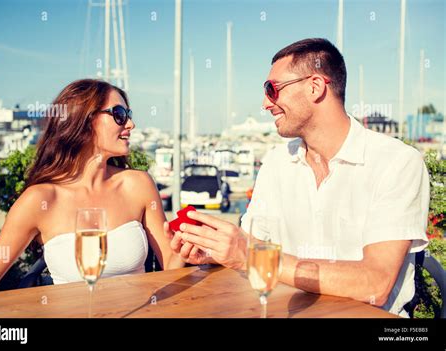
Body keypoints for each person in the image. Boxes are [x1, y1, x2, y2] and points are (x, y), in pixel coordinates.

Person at [165, 38, 430, 317]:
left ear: (315, 87)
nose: (266, 104)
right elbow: (251, 244)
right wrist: (216, 253)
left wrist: (252, 256)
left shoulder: (397, 163)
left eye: (272, 89)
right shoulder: (276, 163)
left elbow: (375, 284)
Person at [0, 79, 186, 294]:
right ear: (84, 120)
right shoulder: (40, 200)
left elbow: (170, 263)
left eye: (128, 115)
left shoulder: (138, 184)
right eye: (119, 114)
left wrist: (185, 250)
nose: (130, 124)